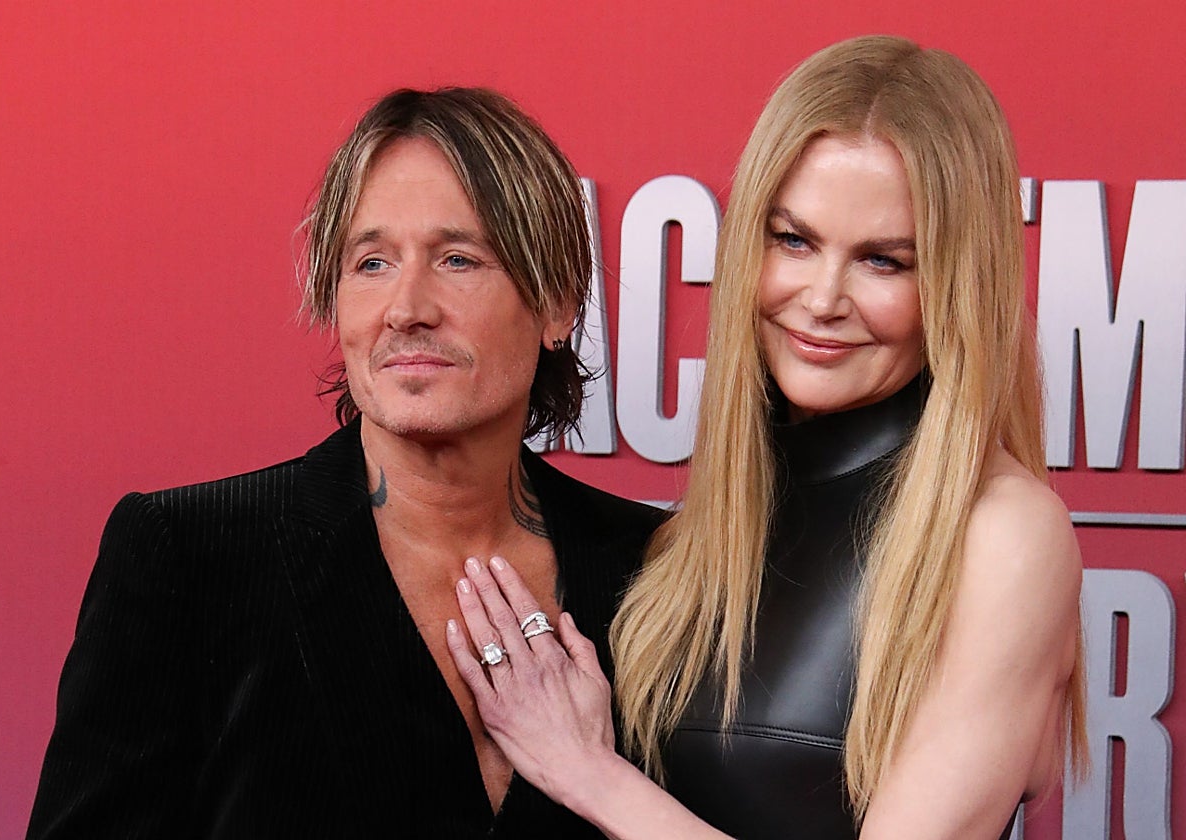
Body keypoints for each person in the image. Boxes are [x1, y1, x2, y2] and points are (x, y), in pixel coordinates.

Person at [446, 36, 1086, 840]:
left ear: (958, 284)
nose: (821, 299)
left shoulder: (1004, 536)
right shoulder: (697, 536)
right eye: (794, 240)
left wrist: (590, 775)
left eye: (884, 261)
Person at [27, 87, 663, 838]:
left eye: (458, 259)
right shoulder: (187, 556)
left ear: (557, 303)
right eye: (372, 263)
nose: (406, 308)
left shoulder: (654, 569)